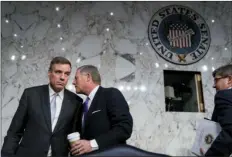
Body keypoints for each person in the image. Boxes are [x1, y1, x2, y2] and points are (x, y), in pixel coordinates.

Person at [1, 57, 83, 157]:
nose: (62, 77)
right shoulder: (31, 95)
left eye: (67, 74)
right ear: (49, 73)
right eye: (58, 72)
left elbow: (74, 136)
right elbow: (14, 131)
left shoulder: (76, 101)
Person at [71, 65, 133, 155]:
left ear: (88, 77)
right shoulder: (82, 106)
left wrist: (91, 144)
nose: (73, 82)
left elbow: (124, 128)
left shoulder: (111, 94)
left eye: (76, 78)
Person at [201, 64, 232, 156]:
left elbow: (230, 132)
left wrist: (210, 154)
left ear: (229, 79)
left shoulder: (224, 95)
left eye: (216, 80)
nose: (214, 86)